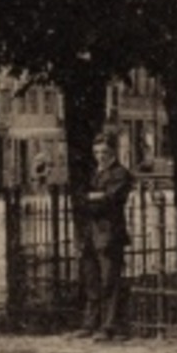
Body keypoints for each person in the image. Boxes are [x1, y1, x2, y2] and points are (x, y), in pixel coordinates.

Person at [74, 130, 134, 341]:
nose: (100, 156)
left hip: (109, 234)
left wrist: (91, 198)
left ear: (113, 152)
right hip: (91, 234)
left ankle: (109, 326)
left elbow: (110, 201)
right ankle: (90, 323)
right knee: (91, 279)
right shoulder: (94, 173)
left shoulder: (120, 174)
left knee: (109, 280)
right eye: (97, 151)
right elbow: (80, 199)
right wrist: (93, 197)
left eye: (105, 152)